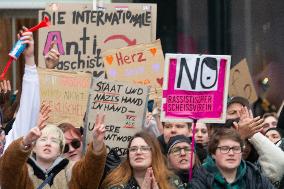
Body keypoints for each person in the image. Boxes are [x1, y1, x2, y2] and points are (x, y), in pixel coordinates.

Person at [0, 109, 107, 189]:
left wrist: (97, 145)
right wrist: (25, 142)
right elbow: (7, 169)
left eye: (54, 141)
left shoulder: (73, 172)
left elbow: (91, 174)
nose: (48, 144)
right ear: (34, 147)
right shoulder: (23, 172)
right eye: (43, 139)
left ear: (59, 150)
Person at [190, 128, 275, 189]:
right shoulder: (200, 178)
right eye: (224, 149)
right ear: (213, 154)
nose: (231, 153)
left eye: (236, 149)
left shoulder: (254, 175)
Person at [101, 131, 184, 189]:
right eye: (133, 149)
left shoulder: (172, 181)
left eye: (144, 148)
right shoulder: (116, 184)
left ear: (154, 153)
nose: (138, 152)